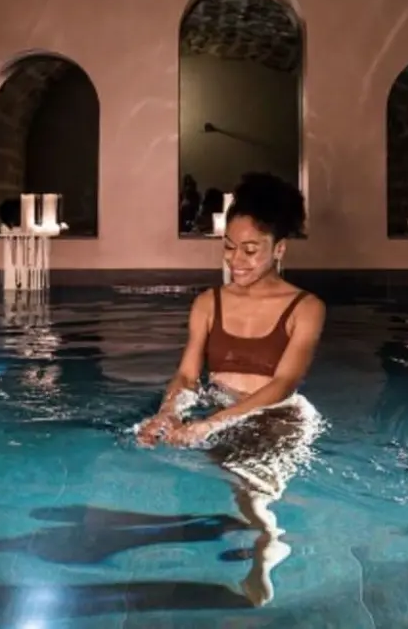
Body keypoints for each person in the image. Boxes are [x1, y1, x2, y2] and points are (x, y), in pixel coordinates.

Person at [136, 171, 326, 606]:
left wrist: (211, 425)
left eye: (250, 250)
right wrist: (168, 413)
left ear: (279, 249)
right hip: (218, 407)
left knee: (252, 487)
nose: (236, 260)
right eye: (228, 247)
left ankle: (267, 549)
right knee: (225, 481)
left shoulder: (307, 307)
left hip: (277, 415)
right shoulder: (208, 302)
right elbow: (187, 375)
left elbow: (285, 384)